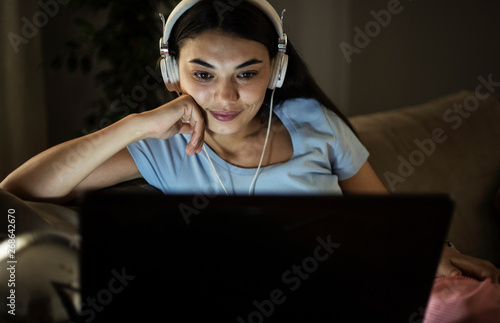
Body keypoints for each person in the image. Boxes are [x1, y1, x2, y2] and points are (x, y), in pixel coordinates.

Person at [1, 0, 499, 321]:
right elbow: (19, 188)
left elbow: (386, 217)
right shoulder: (161, 146)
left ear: (276, 70)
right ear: (171, 72)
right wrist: (134, 123)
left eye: (246, 73)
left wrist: (438, 252)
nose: (225, 96)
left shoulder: (314, 124)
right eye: (202, 73)